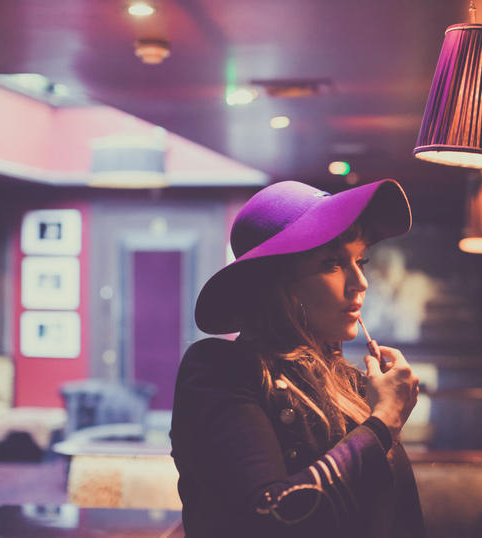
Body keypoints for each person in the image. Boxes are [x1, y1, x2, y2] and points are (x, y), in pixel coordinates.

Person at [170, 179, 426, 537]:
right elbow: (268, 518)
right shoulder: (220, 370)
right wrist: (383, 421)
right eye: (333, 262)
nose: (360, 282)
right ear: (275, 282)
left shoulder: (351, 382)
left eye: (360, 260)